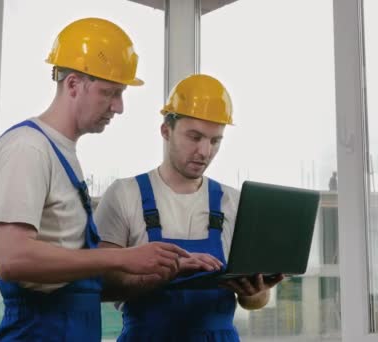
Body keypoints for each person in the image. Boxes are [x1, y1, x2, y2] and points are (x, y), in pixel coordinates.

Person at [0, 18, 188, 342]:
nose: (118, 107)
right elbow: (13, 258)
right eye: (111, 93)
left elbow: (80, 282)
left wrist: (165, 270)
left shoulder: (64, 155)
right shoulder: (28, 149)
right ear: (73, 84)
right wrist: (123, 256)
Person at [94, 74, 284, 341]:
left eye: (215, 140)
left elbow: (257, 301)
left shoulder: (234, 202)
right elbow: (99, 286)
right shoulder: (125, 195)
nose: (204, 151)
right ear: (166, 131)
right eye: (194, 137)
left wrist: (253, 291)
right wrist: (163, 273)